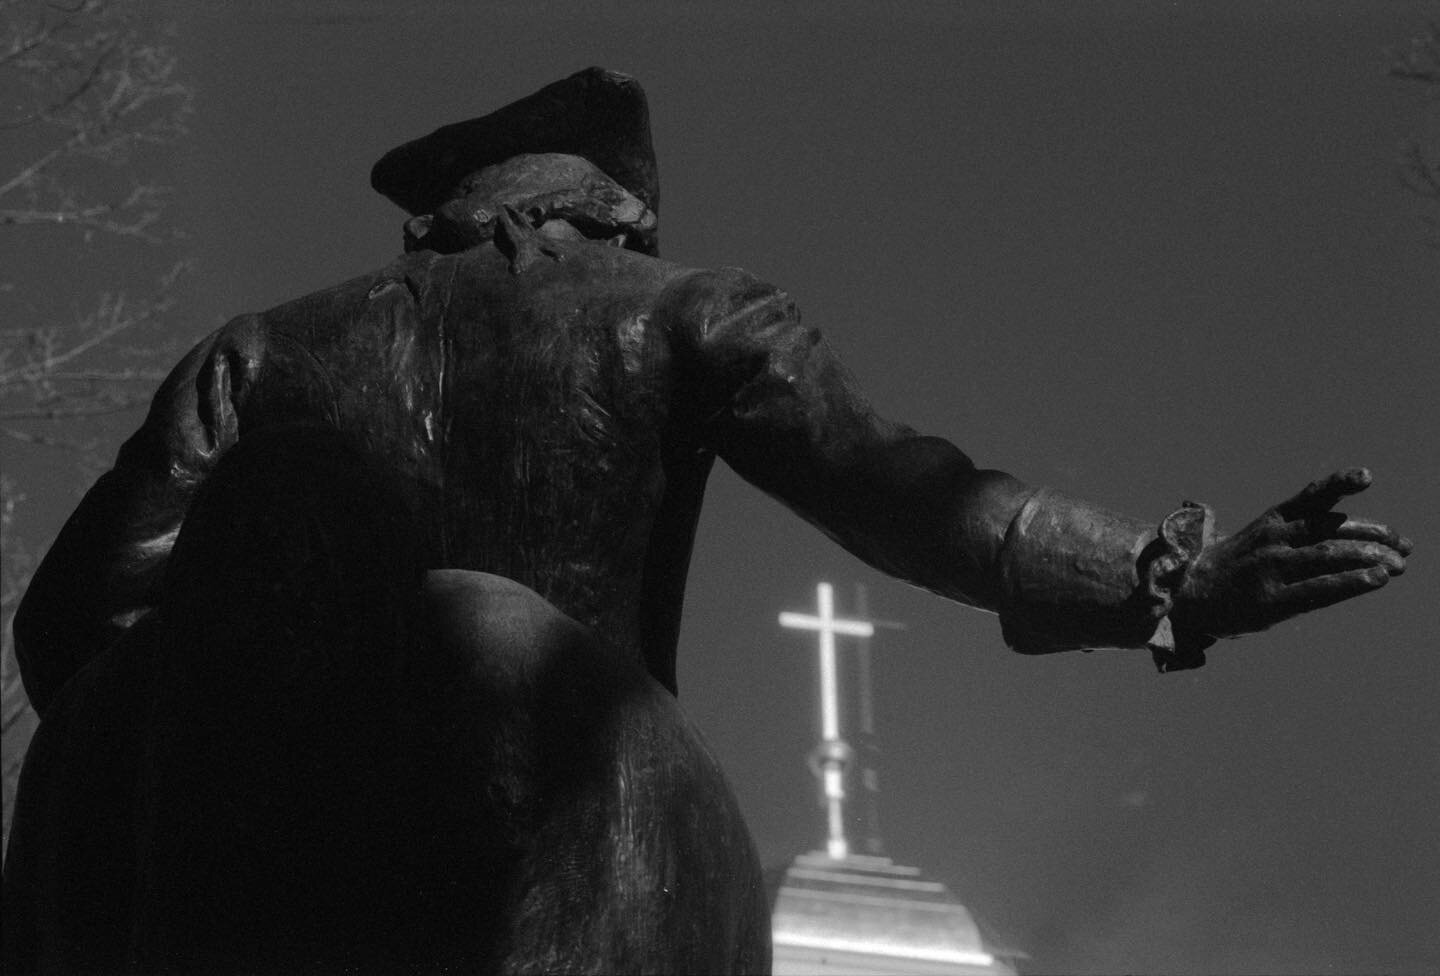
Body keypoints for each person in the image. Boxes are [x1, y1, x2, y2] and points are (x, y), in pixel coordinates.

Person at [4, 68, 1410, 974]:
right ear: (614, 215)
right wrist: (1167, 579)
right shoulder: (681, 308)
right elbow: (905, 494)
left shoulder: (257, 352)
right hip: (581, 780)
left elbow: (74, 621)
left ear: (441, 212)